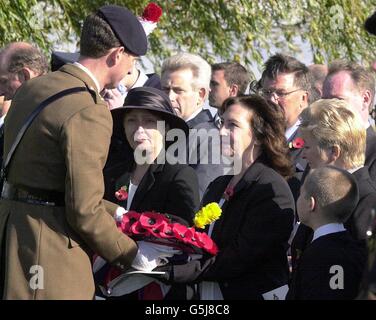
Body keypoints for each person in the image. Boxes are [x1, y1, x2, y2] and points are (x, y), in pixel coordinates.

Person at [0, 5, 148, 299]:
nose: (131, 68)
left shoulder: (34, 89)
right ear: (116, 55)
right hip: (48, 258)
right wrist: (132, 255)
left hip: (11, 236)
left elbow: (42, 179)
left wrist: (116, 211)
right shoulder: (88, 109)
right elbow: (83, 210)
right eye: (131, 59)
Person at [159, 95, 295, 300]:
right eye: (222, 123)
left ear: (258, 136)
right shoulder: (219, 184)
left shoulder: (271, 189)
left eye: (233, 125)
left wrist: (176, 272)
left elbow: (239, 258)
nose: (221, 131)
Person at [99, 87, 200, 299]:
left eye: (149, 121)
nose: (139, 129)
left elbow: (181, 236)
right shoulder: (112, 172)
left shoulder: (179, 175)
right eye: (131, 121)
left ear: (166, 129)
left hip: (158, 290)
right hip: (109, 283)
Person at [290, 99, 376, 275]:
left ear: (333, 152)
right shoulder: (325, 191)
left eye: (307, 146)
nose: (303, 154)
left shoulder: (367, 204)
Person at [287, 166, 367, 300]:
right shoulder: (356, 250)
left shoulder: (320, 256)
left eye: (301, 194)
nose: (298, 199)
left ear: (311, 204)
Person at [161, 53, 225, 199]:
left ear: (201, 94)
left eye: (178, 91)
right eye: (165, 89)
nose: (169, 97)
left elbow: (198, 200)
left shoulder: (212, 139)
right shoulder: (159, 129)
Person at [0, 42, 48, 191]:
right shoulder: (19, 118)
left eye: (3, 81)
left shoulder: (47, 121)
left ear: (25, 75)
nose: (0, 91)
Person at [260, 54, 316, 178]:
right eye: (267, 92)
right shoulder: (257, 139)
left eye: (281, 93)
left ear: (303, 98)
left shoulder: (314, 143)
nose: (272, 100)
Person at [322, 60, 376, 181]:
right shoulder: (319, 148)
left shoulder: (373, 152)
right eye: (324, 101)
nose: (328, 108)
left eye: (338, 100)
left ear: (365, 99)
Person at [209, 62, 250, 128]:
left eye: (214, 84)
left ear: (233, 90)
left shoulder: (251, 130)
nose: (209, 89)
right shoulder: (201, 128)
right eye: (210, 84)